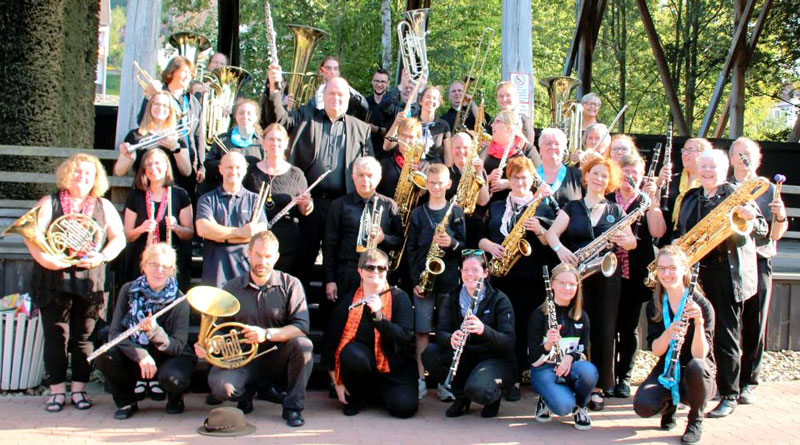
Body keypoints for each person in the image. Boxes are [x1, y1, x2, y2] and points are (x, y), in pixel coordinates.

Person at [26, 153, 125, 413]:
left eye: (88, 174)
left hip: (89, 280)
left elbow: (119, 239)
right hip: (54, 278)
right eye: (78, 172)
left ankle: (79, 389)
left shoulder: (103, 206)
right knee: (56, 336)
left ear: (96, 178)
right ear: (67, 174)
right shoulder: (50, 202)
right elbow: (30, 236)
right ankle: (57, 391)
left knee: (84, 338)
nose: (82, 177)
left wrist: (101, 256)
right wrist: (47, 260)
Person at [675, 149, 766, 418]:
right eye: (702, 166)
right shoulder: (691, 197)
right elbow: (682, 233)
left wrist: (750, 217)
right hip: (695, 274)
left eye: (712, 166)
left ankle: (729, 393)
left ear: (725, 168)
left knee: (726, 335)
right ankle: (695, 389)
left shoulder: (739, 194)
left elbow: (761, 230)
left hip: (727, 273)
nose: (706, 171)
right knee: (693, 332)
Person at [264, 64, 373, 285]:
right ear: (323, 95)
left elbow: (368, 167)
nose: (336, 98)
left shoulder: (362, 129)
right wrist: (275, 87)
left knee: (339, 263)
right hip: (309, 203)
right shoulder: (306, 115)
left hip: (343, 204)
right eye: (331, 93)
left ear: (348, 98)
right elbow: (280, 121)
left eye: (341, 94)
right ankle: (297, 308)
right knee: (303, 260)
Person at [544, 156, 637, 411]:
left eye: (605, 176)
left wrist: (623, 239)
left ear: (610, 182)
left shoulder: (616, 210)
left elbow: (632, 243)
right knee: (576, 328)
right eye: (595, 174)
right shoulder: (571, 207)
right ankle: (570, 379)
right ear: (586, 177)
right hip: (577, 278)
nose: (599, 179)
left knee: (605, 331)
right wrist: (561, 250)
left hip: (607, 278)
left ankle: (599, 387)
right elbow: (551, 234)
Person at [199, 230, 314, 427]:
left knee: (303, 345)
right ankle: (246, 394)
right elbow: (218, 329)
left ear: (276, 257)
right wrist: (211, 345)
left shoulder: (290, 284)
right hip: (243, 360)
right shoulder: (231, 288)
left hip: (277, 357)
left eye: (268, 256)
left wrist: (266, 334)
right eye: (258, 255)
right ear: (248, 253)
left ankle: (293, 407)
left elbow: (301, 327)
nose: (263, 261)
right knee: (222, 389)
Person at [478, 156, 553, 400]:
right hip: (502, 278)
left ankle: (524, 375)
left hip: (530, 279)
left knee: (526, 328)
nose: (520, 182)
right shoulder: (498, 206)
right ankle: (508, 377)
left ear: (533, 179)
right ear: (509, 180)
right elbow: (478, 236)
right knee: (505, 328)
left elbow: (551, 243)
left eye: (525, 177)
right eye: (515, 177)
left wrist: (540, 229)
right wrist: (489, 245)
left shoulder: (543, 206)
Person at [95, 243, 196, 419]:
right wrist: (140, 354)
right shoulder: (128, 290)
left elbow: (177, 346)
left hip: (168, 355)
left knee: (175, 376)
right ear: (144, 265)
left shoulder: (179, 300)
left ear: (172, 270)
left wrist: (155, 331)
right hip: (136, 351)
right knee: (105, 355)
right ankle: (126, 402)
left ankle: (175, 399)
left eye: (165, 266)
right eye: (154, 264)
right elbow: (115, 333)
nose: (159, 270)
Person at [633, 246, 715, 444]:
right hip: (668, 365)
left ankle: (695, 420)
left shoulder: (701, 304)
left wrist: (698, 323)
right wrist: (669, 333)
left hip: (698, 373)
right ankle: (670, 405)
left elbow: (701, 355)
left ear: (685, 269)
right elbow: (656, 350)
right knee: (643, 406)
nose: (666, 274)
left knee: (696, 366)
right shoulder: (655, 304)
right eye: (661, 269)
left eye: (672, 268)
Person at [322, 249, 418, 418]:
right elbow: (330, 341)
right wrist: (336, 382)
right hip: (362, 365)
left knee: (404, 409)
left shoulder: (399, 297)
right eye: (370, 268)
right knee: (352, 353)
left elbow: (404, 337)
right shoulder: (350, 299)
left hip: (394, 369)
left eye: (381, 268)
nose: (376, 272)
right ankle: (358, 395)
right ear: (360, 271)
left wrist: (378, 316)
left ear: (386, 271)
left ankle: (379, 393)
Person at [729, 137, 788, 405]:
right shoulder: (725, 186)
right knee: (727, 324)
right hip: (730, 259)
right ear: (731, 158)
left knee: (756, 322)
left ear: (758, 159)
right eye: (739, 153)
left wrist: (780, 215)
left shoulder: (767, 189)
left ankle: (749, 381)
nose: (744, 158)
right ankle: (726, 381)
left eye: (749, 154)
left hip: (760, 258)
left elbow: (776, 233)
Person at [422, 250, 515, 418]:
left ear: (486, 273)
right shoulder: (452, 297)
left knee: (479, 389)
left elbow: (508, 341)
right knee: (430, 354)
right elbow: (440, 332)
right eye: (465, 270)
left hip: (492, 358)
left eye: (475, 270)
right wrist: (451, 338)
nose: (470, 274)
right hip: (466, 355)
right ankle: (462, 397)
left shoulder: (499, 300)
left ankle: (493, 397)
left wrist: (483, 330)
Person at [407, 164, 467, 399]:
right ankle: (421, 379)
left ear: (448, 185)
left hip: (448, 281)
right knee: (421, 331)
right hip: (423, 281)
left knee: (445, 331)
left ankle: (444, 381)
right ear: (426, 184)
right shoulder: (418, 214)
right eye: (431, 183)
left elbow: (463, 246)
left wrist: (450, 243)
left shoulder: (456, 212)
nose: (436, 187)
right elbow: (411, 249)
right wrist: (415, 279)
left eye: (440, 183)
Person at [611, 154, 665, 398]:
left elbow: (657, 231)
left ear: (642, 176)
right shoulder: (608, 198)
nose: (629, 178)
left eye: (635, 174)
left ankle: (625, 377)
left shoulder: (645, 200)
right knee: (608, 327)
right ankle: (608, 376)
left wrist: (652, 200)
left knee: (629, 327)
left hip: (634, 272)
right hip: (609, 272)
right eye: (626, 173)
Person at [324, 157, 403, 302]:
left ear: (379, 178)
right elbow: (330, 245)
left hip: (376, 275)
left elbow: (399, 242)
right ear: (353, 177)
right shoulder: (339, 205)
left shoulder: (389, 205)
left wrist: (383, 238)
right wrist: (330, 280)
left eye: (370, 175)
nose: (365, 180)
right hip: (347, 273)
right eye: (360, 175)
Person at [529, 263, 597, 431]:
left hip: (569, 368)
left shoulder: (583, 317)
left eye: (572, 284)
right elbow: (532, 359)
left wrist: (570, 357)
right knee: (563, 407)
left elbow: (584, 353)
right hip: (544, 369)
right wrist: (547, 345)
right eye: (562, 283)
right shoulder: (539, 315)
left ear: (578, 287)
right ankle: (546, 397)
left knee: (589, 372)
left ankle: (580, 406)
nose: (567, 288)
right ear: (552, 284)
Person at [243, 123, 312, 278]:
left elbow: (305, 211)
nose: (275, 144)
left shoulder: (296, 174)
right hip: (257, 241)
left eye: (279, 140)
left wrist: (306, 204)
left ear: (286, 143)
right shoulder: (250, 172)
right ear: (263, 142)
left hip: (287, 244)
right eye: (271, 139)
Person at [121, 148, 194, 291]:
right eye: (148, 165)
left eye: (157, 163)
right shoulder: (136, 195)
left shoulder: (179, 194)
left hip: (170, 263)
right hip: (142, 263)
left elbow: (189, 233)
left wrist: (177, 228)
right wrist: (140, 229)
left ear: (167, 165)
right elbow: (128, 235)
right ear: (143, 169)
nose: (153, 168)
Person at [137, 56, 207, 198]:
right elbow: (142, 122)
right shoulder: (159, 94)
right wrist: (148, 96)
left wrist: (201, 166)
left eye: (191, 74)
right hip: (160, 161)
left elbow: (199, 135)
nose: (189, 76)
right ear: (172, 71)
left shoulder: (193, 101)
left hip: (187, 163)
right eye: (185, 72)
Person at [195, 152, 267, 288]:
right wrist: (241, 233)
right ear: (220, 169)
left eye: (238, 167)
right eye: (229, 167)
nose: (233, 171)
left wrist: (219, 234)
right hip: (214, 275)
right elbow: (203, 229)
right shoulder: (207, 199)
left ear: (245, 170)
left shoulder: (255, 200)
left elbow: (259, 234)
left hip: (245, 274)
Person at [114, 91, 192, 179]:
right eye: (157, 104)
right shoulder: (134, 135)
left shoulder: (177, 137)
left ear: (170, 111)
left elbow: (187, 171)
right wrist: (129, 158)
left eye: (165, 106)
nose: (160, 108)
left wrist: (175, 148)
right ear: (150, 107)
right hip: (142, 188)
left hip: (170, 189)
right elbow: (119, 172)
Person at [657, 137, 712, 244]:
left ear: (703, 154)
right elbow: (657, 207)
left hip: (696, 241)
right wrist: (659, 183)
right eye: (684, 150)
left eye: (690, 150)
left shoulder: (708, 184)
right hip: (668, 240)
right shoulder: (671, 180)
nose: (684, 154)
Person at [202, 99, 263, 195]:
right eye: (241, 113)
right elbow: (208, 165)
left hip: (251, 194)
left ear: (256, 117)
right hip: (223, 193)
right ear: (236, 116)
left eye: (249, 113)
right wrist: (228, 163)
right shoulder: (222, 139)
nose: (245, 116)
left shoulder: (262, 143)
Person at [483, 110, 540, 204]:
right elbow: (476, 178)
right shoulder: (486, 150)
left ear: (509, 127)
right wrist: (488, 178)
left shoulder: (527, 150)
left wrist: (507, 184)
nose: (492, 125)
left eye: (497, 121)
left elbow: (538, 180)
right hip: (489, 208)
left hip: (520, 206)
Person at [447, 132, 490, 248]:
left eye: (465, 147)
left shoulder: (479, 171)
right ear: (451, 150)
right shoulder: (446, 173)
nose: (461, 151)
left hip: (475, 229)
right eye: (457, 147)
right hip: (452, 229)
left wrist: (479, 172)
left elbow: (484, 201)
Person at [492, 82, 538, 166]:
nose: (504, 99)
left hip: (517, 166)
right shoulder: (494, 120)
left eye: (508, 95)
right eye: (501, 96)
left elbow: (529, 148)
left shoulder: (523, 120)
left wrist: (516, 131)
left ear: (516, 97)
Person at [376, 117, 423, 198]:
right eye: (403, 135)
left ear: (418, 139)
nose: (407, 140)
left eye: (411, 137)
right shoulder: (385, 162)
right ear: (397, 136)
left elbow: (423, 193)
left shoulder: (423, 165)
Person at [366, 69, 391, 159]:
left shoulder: (394, 105)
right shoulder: (365, 103)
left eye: (383, 82)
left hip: (387, 155)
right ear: (372, 82)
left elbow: (395, 133)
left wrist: (376, 129)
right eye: (376, 81)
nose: (379, 84)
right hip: (367, 151)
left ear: (388, 83)